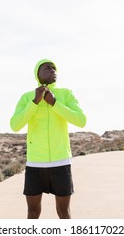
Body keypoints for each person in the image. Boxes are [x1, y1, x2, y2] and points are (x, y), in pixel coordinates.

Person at [10, 59, 87, 219]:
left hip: (61, 162)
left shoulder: (66, 94)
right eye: (47, 68)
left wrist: (55, 103)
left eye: (54, 68)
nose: (52, 70)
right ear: (38, 74)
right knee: (33, 213)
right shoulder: (27, 97)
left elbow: (81, 120)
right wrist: (35, 102)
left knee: (64, 212)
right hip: (35, 163)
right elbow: (15, 125)